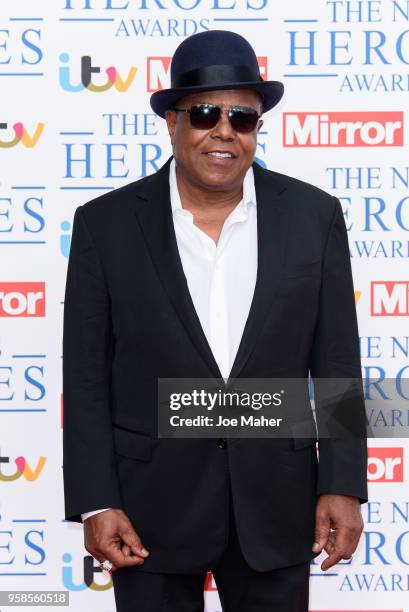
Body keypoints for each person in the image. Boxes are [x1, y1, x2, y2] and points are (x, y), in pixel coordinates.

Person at [62, 29, 368, 612]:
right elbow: (85, 379)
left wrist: (343, 483)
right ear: (172, 121)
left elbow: (336, 365)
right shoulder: (104, 225)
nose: (223, 130)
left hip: (278, 504)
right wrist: (97, 502)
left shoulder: (314, 216)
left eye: (243, 118)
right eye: (204, 113)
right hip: (147, 511)